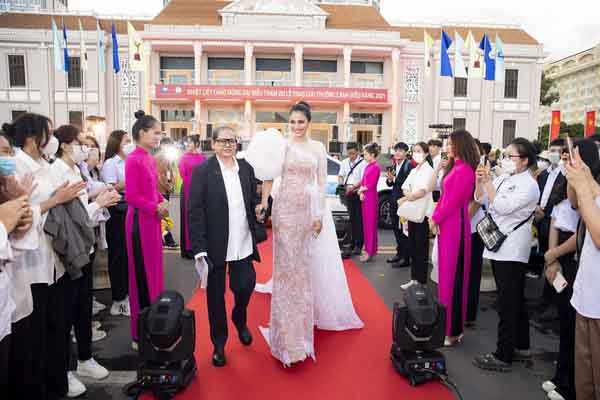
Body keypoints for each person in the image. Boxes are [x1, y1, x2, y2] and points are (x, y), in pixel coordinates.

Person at [250, 101, 362, 366]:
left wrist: (318, 215)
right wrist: (265, 203)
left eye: (301, 122)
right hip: (284, 212)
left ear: (309, 122)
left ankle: (300, 336)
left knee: (301, 272)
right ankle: (286, 340)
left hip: (306, 213)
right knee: (286, 272)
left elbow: (321, 183)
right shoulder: (282, 146)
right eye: (292, 122)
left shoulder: (318, 148)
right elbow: (268, 176)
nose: (296, 126)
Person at [6, 113, 86, 400]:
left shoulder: (45, 165)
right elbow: (18, 216)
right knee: (35, 339)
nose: (52, 140)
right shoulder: (17, 166)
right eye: (48, 134)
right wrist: (55, 200)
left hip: (55, 258)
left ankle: (57, 383)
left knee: (57, 329)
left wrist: (63, 198)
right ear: (32, 137)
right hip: (30, 265)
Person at [51, 125, 121, 396]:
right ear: (64, 145)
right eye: (81, 143)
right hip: (69, 253)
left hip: (85, 248)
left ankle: (85, 358)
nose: (87, 148)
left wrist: (98, 199)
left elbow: (82, 209)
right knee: (66, 315)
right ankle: (66, 369)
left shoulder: (75, 170)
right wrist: (98, 203)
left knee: (83, 309)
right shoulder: (56, 172)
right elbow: (69, 219)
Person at [188, 126, 261, 367]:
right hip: (215, 246)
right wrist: (199, 248)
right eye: (223, 141)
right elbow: (194, 212)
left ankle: (239, 318)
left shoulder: (246, 169)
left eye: (232, 140)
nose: (228, 145)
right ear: (213, 144)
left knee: (245, 285)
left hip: (243, 242)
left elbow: (253, 199)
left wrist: (259, 208)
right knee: (215, 298)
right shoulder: (202, 171)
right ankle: (219, 343)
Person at [473, 137, 540, 372]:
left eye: (510, 156)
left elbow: (502, 207)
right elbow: (481, 198)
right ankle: (521, 345)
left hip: (512, 248)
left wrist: (488, 182)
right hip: (499, 244)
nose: (505, 160)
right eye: (504, 155)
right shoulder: (505, 178)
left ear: (524, 160)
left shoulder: (529, 185)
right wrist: (480, 181)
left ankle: (503, 355)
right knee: (515, 299)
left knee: (508, 302)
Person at [541, 139, 599, 400]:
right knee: (582, 361)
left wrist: (583, 184)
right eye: (563, 157)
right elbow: (573, 206)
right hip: (584, 291)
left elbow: (593, 234)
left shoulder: (592, 190)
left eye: (570, 157)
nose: (564, 161)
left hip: (591, 290)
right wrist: (576, 179)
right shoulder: (580, 185)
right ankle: (565, 380)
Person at [429, 130, 478, 347]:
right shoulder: (454, 167)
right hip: (447, 225)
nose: (447, 147)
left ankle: (453, 331)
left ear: (461, 145)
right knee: (445, 279)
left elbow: (453, 201)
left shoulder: (465, 170)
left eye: (451, 144)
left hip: (455, 227)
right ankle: (446, 326)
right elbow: (444, 198)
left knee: (454, 280)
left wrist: (435, 218)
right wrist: (436, 218)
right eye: (447, 144)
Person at [124, 111, 166, 348]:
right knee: (141, 277)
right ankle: (139, 334)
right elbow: (131, 196)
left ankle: (154, 328)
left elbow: (151, 189)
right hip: (140, 223)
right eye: (156, 132)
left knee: (155, 275)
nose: (159, 136)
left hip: (152, 221)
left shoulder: (149, 157)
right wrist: (155, 207)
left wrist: (162, 200)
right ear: (142, 133)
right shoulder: (133, 159)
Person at [564, 144, 600, 400]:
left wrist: (584, 186)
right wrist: (580, 177)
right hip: (587, 297)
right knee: (585, 383)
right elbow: (578, 203)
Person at [532, 139, 566, 317]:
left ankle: (556, 301)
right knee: (547, 259)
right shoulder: (544, 173)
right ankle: (546, 298)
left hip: (556, 224)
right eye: (552, 150)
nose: (555, 154)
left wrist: (545, 213)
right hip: (542, 222)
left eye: (559, 151)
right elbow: (539, 193)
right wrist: (537, 208)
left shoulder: (566, 174)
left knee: (556, 262)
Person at [101, 130, 133, 317]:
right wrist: (129, 180)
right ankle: (118, 299)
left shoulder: (129, 161)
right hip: (116, 210)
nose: (129, 145)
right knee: (118, 256)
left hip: (129, 208)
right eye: (126, 141)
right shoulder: (111, 163)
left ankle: (126, 295)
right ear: (117, 143)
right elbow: (110, 188)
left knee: (127, 255)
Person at [398, 142, 435, 289]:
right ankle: (414, 279)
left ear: (426, 154)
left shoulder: (429, 170)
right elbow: (405, 187)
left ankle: (421, 281)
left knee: (421, 249)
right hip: (412, 213)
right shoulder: (414, 170)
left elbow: (423, 191)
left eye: (419, 151)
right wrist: (409, 195)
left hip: (422, 214)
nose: (416, 154)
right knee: (413, 246)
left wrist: (410, 196)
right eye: (414, 151)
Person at [466, 141, 486, 327]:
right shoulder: (461, 168)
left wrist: (462, 221)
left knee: (472, 272)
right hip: (462, 226)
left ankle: (469, 314)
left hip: (473, 228)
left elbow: (479, 201)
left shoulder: (480, 170)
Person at [178, 134, 205, 259]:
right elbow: (182, 174)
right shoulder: (183, 158)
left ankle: (199, 247)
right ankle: (188, 249)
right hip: (187, 190)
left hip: (200, 191)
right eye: (186, 143)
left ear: (197, 144)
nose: (187, 145)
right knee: (187, 218)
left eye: (190, 142)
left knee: (200, 219)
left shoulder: (203, 158)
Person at [385, 142, 412, 267]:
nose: (397, 153)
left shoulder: (409, 166)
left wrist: (395, 180)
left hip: (404, 202)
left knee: (404, 230)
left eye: (400, 151)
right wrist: (390, 179)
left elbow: (409, 184)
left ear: (406, 153)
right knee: (396, 229)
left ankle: (406, 258)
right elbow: (390, 184)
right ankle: (399, 254)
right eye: (396, 150)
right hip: (393, 200)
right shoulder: (394, 165)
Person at [338, 142, 366, 256]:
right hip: (347, 193)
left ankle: (359, 245)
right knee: (351, 219)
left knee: (359, 220)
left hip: (358, 193)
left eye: (353, 153)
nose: (351, 156)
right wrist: (341, 184)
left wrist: (353, 188)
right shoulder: (344, 162)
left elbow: (363, 179)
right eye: (349, 153)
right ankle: (352, 243)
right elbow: (341, 175)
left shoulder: (363, 163)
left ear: (358, 152)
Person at [358, 143, 381, 263]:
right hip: (365, 197)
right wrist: (361, 192)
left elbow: (371, 184)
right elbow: (363, 181)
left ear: (372, 155)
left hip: (371, 198)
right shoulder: (368, 166)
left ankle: (370, 251)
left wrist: (361, 190)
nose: (364, 156)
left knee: (370, 225)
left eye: (366, 154)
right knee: (366, 225)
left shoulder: (376, 167)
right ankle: (368, 249)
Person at [155, 137, 178, 249]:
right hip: (161, 190)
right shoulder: (160, 157)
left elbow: (171, 173)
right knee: (164, 215)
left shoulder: (166, 157)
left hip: (165, 189)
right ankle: (168, 239)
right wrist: (168, 186)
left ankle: (163, 239)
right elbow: (160, 175)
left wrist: (171, 184)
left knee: (163, 216)